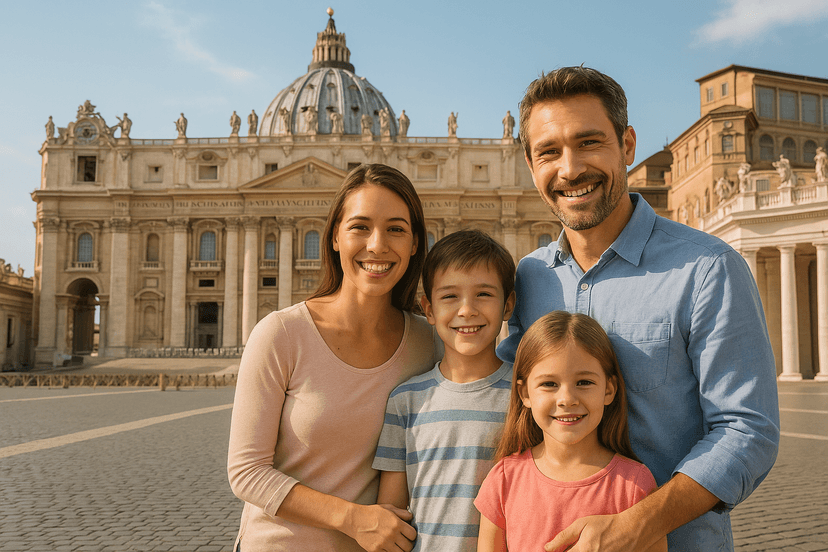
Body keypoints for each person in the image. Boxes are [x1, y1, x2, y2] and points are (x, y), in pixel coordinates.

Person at [497, 66, 779, 551]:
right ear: (530, 164)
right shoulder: (529, 278)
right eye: (549, 152)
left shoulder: (708, 268)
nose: (569, 169)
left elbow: (746, 429)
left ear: (627, 145)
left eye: (589, 143)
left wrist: (637, 525)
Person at [228, 164, 441, 552]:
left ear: (415, 243)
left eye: (396, 228)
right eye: (360, 226)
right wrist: (353, 518)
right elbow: (247, 472)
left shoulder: (430, 342)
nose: (377, 245)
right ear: (335, 238)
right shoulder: (280, 334)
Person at [373, 229, 516, 552]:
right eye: (450, 296)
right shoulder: (405, 401)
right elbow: (391, 514)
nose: (467, 310)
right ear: (429, 310)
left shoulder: (526, 398)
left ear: (508, 305)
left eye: (483, 294)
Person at [476, 311, 667, 552]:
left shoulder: (635, 485)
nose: (566, 399)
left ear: (609, 390)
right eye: (549, 384)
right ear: (525, 394)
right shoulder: (503, 480)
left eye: (584, 382)